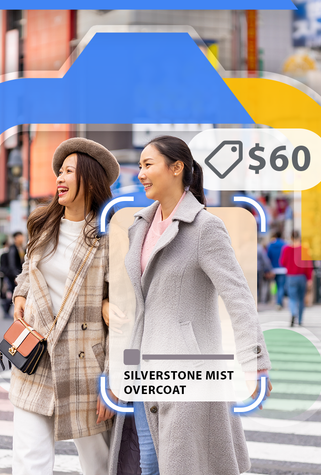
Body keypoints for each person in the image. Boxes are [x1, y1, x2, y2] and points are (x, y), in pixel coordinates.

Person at [108, 135, 271, 475]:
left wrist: (253, 361)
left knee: (180, 466)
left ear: (177, 167)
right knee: (149, 465)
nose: (140, 173)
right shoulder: (139, 227)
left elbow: (238, 295)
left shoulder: (205, 228)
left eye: (148, 165)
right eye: (139, 166)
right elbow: (137, 298)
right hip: (142, 370)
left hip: (188, 369)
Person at [9, 137, 118, 475]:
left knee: (98, 466)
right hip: (35, 359)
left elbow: (121, 314)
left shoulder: (111, 235)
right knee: (29, 461)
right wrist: (21, 294)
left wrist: (113, 379)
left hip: (87, 365)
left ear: (90, 178)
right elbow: (28, 269)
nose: (59, 177)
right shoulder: (43, 225)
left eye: (69, 171)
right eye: (59, 171)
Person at [280, 230, 313, 326]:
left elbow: (282, 262)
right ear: (299, 237)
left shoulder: (286, 249)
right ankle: (300, 319)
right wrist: (309, 278)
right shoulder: (305, 249)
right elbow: (309, 265)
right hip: (302, 276)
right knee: (301, 298)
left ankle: (293, 312)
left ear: (291, 238)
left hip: (291, 276)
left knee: (292, 297)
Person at [0, 231, 25, 317]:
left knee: (14, 292)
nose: (22, 238)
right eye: (21, 237)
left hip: (18, 275)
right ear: (16, 238)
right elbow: (12, 264)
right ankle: (6, 307)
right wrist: (16, 276)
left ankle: (6, 307)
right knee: (14, 293)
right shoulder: (13, 248)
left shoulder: (21, 248)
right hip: (13, 275)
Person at [266, 231, 287, 310]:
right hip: (283, 268)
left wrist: (268, 269)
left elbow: (267, 258)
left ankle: (278, 302)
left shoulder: (271, 245)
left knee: (276, 286)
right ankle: (279, 302)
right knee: (281, 286)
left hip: (273, 269)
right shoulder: (284, 244)